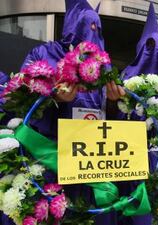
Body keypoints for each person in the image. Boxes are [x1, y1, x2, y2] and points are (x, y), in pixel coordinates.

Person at [1, 1, 124, 224]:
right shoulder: (43, 53)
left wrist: (116, 102)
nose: (91, 31)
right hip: (50, 159)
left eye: (97, 26)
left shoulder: (104, 66)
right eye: (86, 24)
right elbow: (18, 105)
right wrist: (53, 97)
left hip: (91, 162)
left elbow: (112, 118)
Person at [116, 3, 158, 225]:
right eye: (151, 45)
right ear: (141, 47)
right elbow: (119, 117)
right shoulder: (127, 78)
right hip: (132, 157)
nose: (156, 50)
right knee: (137, 208)